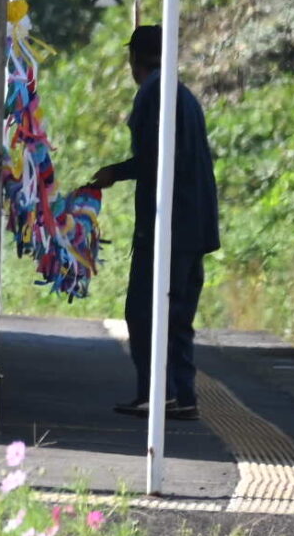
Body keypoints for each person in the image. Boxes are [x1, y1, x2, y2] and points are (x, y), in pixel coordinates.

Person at [88, 24, 222, 420]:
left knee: (144, 311)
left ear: (134, 59)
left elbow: (154, 158)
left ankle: (157, 393)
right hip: (195, 223)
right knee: (177, 315)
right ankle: (183, 395)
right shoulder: (183, 94)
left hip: (167, 224)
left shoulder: (153, 94)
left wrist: (115, 172)